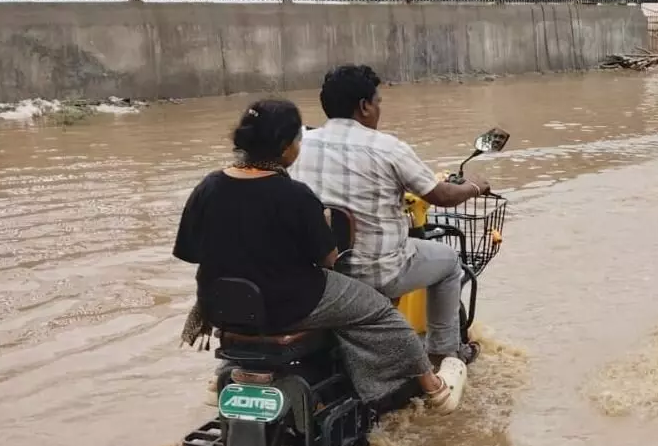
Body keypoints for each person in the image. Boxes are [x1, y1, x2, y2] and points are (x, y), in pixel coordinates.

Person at [173, 99, 455, 410]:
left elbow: (191, 251)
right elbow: (328, 260)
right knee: (379, 311)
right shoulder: (294, 195)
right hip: (289, 305)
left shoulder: (208, 187)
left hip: (221, 304)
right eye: (297, 139)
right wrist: (319, 224)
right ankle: (433, 387)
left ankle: (225, 377)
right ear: (284, 147)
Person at [291, 65, 488, 370]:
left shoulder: (300, 143)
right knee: (449, 262)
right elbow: (442, 196)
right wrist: (476, 186)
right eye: (379, 101)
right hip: (378, 271)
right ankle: (444, 354)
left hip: (322, 271)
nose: (379, 108)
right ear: (364, 106)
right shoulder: (387, 148)